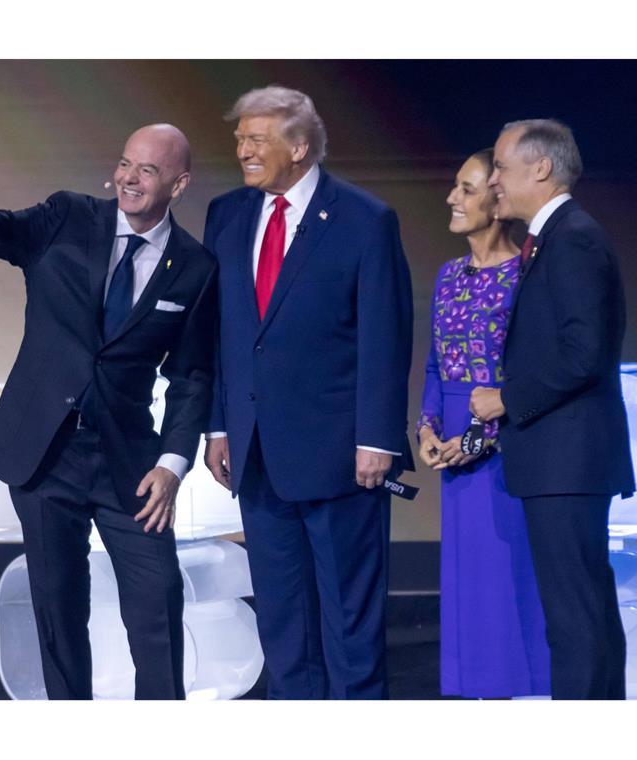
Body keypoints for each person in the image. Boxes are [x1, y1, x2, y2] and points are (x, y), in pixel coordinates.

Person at [0, 124, 217, 700]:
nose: (128, 178)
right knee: (58, 610)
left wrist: (172, 465)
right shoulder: (68, 217)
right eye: (125, 164)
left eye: (147, 170)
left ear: (179, 184)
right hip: (46, 455)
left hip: (132, 465)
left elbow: (191, 376)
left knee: (159, 602)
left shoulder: (195, 266)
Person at [201, 86, 413, 699]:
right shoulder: (227, 214)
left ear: (298, 147)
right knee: (282, 614)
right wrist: (218, 424)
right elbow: (219, 331)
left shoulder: (364, 219)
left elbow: (385, 335)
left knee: (348, 617)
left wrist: (377, 438)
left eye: (255, 139)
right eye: (240, 139)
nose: (243, 150)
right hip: (256, 453)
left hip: (342, 455)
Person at [470, 119, 635, 700]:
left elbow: (583, 352)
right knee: (582, 609)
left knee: (575, 617)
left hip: (568, 460)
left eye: (501, 167)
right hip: (561, 459)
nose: (494, 180)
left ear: (540, 168)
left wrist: (505, 399)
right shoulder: (555, 237)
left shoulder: (573, 239)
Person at [417, 148, 551, 698]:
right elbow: (436, 362)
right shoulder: (448, 274)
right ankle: (472, 693)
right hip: (452, 440)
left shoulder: (524, 277)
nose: (452, 198)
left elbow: (527, 373)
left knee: (505, 575)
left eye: (466, 189)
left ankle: (517, 692)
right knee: (466, 578)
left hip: (504, 444)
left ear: (497, 202)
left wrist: (478, 438)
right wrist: (427, 429)